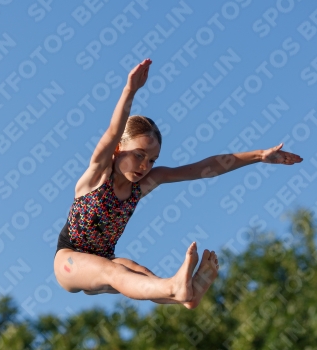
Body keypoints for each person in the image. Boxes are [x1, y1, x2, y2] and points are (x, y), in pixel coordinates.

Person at [54, 59, 303, 310]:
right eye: (139, 155)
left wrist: (259, 156)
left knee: (142, 274)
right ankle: (176, 288)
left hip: (104, 258)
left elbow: (203, 169)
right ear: (118, 148)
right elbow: (112, 131)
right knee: (114, 273)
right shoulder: (97, 174)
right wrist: (130, 90)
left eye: (152, 160)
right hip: (69, 259)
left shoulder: (142, 185)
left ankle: (188, 296)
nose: (145, 166)